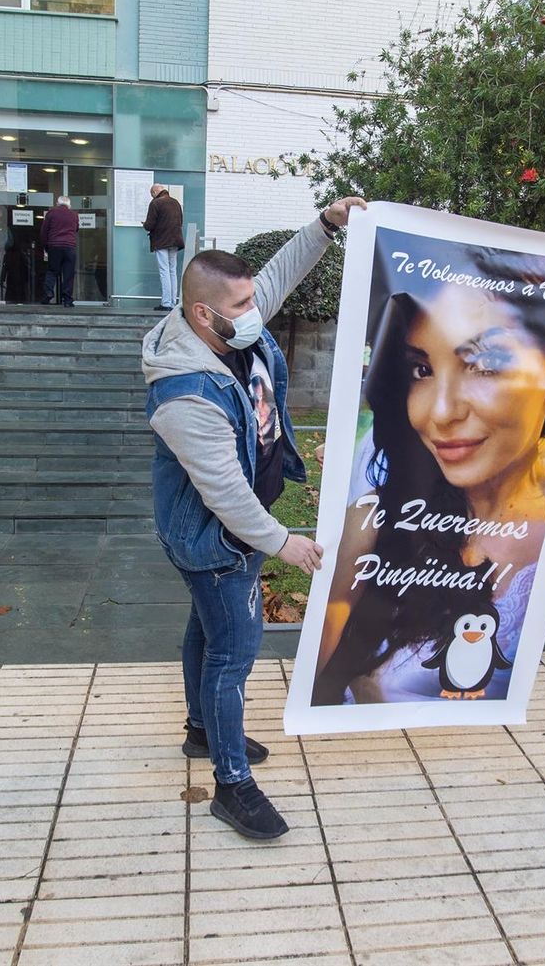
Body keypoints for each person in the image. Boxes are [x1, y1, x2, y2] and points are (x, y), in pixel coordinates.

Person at [143, 194, 366, 840]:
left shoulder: (223, 323)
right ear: (201, 313)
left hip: (230, 523)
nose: (255, 312)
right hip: (216, 535)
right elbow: (225, 495)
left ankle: (200, 731)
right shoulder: (184, 393)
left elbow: (274, 278)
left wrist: (326, 223)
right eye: (240, 307)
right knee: (233, 652)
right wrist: (283, 544)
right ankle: (231, 784)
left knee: (205, 629)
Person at [312, 254, 545, 705]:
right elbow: (320, 681)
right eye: (421, 370)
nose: (442, 412)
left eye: (484, 364)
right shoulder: (376, 521)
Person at [143, 183, 184, 311]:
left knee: (164, 271)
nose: (152, 197)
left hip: (161, 241)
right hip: (175, 241)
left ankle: (166, 303)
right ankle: (172, 302)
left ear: (155, 192)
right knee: (172, 271)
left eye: (152, 195)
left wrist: (144, 225)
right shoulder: (176, 202)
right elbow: (180, 221)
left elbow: (150, 224)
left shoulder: (156, 203)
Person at [40, 196, 79, 306]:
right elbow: (76, 229)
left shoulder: (51, 213)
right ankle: (67, 300)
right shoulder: (74, 215)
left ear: (57, 203)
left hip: (54, 246)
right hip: (69, 247)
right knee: (68, 274)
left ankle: (48, 292)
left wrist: (46, 246)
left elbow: (44, 231)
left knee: (52, 271)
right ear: (69, 205)